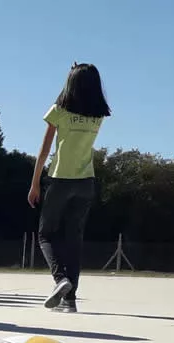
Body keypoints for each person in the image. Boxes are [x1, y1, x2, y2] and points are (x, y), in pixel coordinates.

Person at [28, 62, 110, 313]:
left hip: (60, 179)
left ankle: (59, 278)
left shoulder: (59, 111)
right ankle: (69, 299)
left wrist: (34, 183)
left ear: (70, 84)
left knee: (46, 234)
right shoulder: (98, 116)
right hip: (86, 182)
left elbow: (44, 151)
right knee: (73, 240)